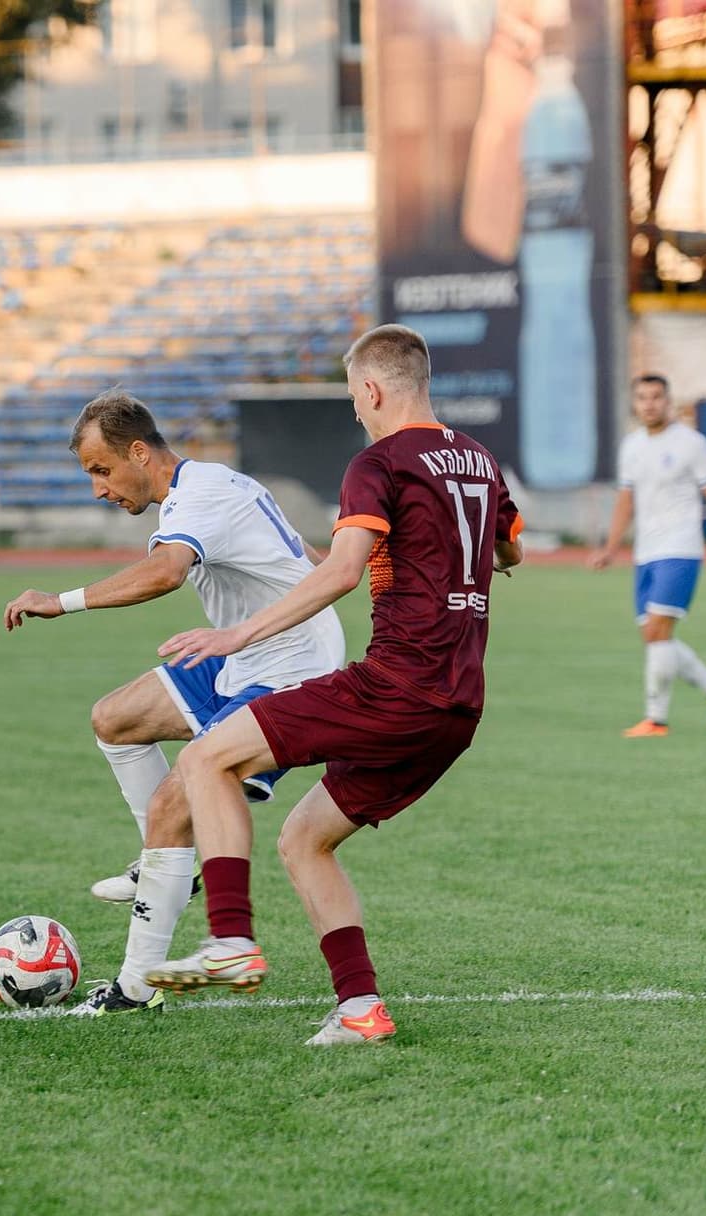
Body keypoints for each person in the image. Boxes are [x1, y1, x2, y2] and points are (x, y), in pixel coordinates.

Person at [143, 325, 523, 1046]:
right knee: (304, 839)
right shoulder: (478, 459)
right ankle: (360, 1009)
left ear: (374, 389)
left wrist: (235, 635)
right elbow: (509, 547)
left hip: (396, 688)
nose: (356, 410)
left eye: (355, 396)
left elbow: (343, 572)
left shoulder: (377, 462)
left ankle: (230, 942)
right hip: (458, 707)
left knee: (204, 759)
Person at [2, 390, 344, 1017]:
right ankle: (169, 869)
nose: (99, 489)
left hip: (292, 672)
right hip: (244, 657)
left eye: (101, 470)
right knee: (115, 718)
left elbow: (164, 574)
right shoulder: (207, 486)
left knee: (172, 806)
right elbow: (305, 560)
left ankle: (136, 989)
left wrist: (61, 600)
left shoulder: (200, 496)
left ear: (139, 451)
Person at [588, 373, 706, 737]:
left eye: (656, 397)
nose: (650, 404)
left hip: (681, 549)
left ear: (668, 400)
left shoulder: (692, 443)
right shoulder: (632, 446)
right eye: (642, 397)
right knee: (656, 638)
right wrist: (611, 548)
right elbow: (626, 500)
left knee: (658, 631)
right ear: (635, 403)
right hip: (646, 554)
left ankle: (656, 719)